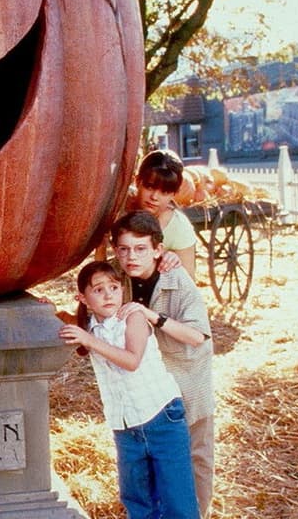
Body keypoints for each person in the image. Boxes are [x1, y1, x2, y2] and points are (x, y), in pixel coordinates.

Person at [59, 260, 200, 519]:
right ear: (83, 298)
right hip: (124, 425)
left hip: (161, 416)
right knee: (137, 498)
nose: (108, 295)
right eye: (98, 290)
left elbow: (132, 360)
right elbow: (66, 320)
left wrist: (89, 340)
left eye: (113, 287)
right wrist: (48, 309)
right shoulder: (88, 325)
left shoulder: (133, 317)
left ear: (122, 290)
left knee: (177, 499)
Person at [111, 210, 215, 518]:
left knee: (194, 456)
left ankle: (198, 513)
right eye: (124, 249)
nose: (131, 257)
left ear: (158, 250)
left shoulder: (177, 280)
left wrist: (152, 316)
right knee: (152, 458)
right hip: (146, 387)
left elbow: (197, 336)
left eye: (140, 248)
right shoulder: (117, 278)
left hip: (185, 378)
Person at [129, 149, 198, 280]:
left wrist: (173, 260)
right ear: (137, 181)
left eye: (164, 192)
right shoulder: (122, 210)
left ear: (174, 194)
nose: (154, 197)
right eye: (149, 187)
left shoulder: (179, 227)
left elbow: (188, 282)